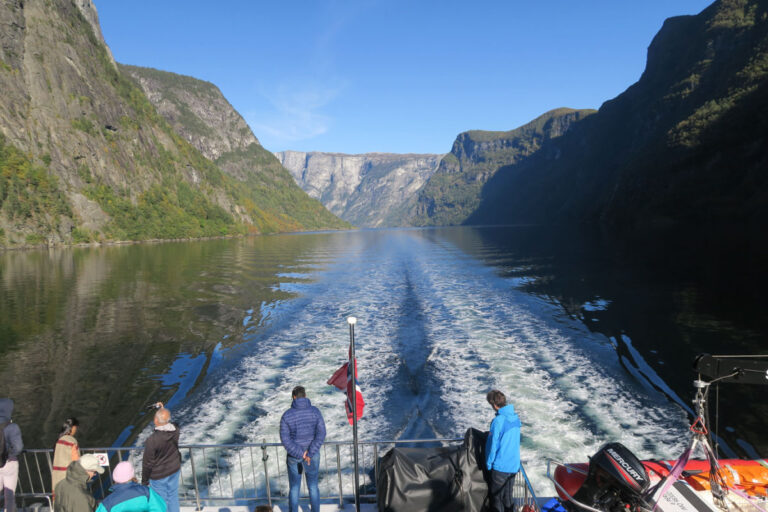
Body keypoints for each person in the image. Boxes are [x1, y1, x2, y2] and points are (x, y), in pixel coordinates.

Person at [279, 386, 326, 512]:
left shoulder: (286, 415)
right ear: (305, 396)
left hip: (294, 456)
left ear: (294, 397)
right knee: (313, 487)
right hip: (313, 455)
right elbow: (321, 434)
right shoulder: (315, 412)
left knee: (294, 488)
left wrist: (301, 453)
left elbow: (285, 440)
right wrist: (309, 453)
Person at [485, 390, 521, 512]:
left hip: (501, 467)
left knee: (496, 499)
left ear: (494, 405)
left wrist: (489, 464)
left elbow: (492, 445)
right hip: (513, 466)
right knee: (508, 498)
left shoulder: (498, 421)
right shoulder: (516, 418)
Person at [141, 403, 180, 512]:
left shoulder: (152, 440)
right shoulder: (176, 431)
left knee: (160, 501)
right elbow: (170, 423)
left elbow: (147, 463)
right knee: (172, 497)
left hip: (159, 475)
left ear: (156, 421)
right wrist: (162, 410)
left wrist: (144, 481)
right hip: (174, 469)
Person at [95, 461, 166, 512]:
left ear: (115, 478)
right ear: (132, 476)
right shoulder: (146, 492)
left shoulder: (108, 502)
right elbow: (160, 508)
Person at [0, 399, 23, 512]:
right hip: (9, 463)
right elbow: (18, 447)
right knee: (9, 496)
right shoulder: (12, 426)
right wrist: (10, 454)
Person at [52, 418, 81, 497]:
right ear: (73, 427)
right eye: (76, 427)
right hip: (68, 476)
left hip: (57, 476)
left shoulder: (58, 440)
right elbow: (76, 460)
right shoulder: (71, 441)